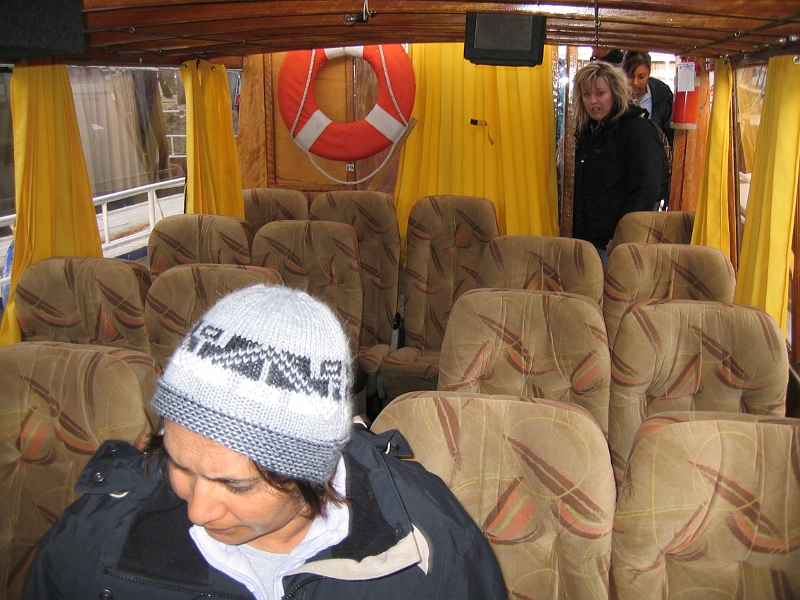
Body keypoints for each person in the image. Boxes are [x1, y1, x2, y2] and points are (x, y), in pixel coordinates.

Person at [24, 285, 508, 600]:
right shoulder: (96, 537)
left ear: (314, 473)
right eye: (179, 465)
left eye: (233, 485)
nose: (196, 510)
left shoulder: (425, 544)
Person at [572, 61, 668, 266]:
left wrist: (622, 235)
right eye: (587, 95)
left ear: (615, 93)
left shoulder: (636, 130)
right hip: (588, 242)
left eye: (600, 93)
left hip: (615, 245)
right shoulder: (589, 133)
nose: (593, 101)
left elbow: (649, 188)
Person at [621, 51, 674, 149]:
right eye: (630, 76)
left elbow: (670, 134)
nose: (635, 82)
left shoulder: (663, 95)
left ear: (649, 73)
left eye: (641, 76)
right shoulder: (613, 96)